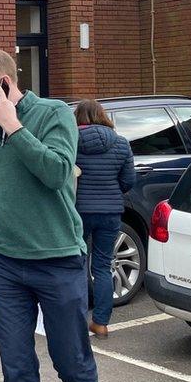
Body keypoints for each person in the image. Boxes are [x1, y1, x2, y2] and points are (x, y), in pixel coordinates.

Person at [0, 47, 99, 382]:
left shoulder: (54, 114)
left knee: (70, 360)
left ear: (4, 83)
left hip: (57, 258)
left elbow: (58, 173)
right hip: (5, 263)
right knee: (17, 368)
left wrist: (16, 128)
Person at [74, 99, 135, 339]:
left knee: (77, 264)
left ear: (78, 117)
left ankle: (76, 320)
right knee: (102, 265)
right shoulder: (121, 143)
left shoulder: (72, 141)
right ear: (103, 115)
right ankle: (100, 323)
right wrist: (112, 190)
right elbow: (129, 180)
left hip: (78, 211)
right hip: (110, 211)